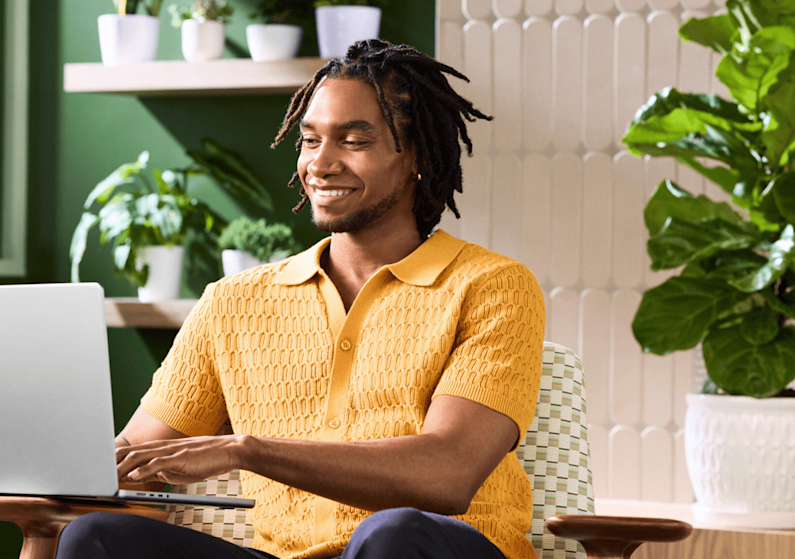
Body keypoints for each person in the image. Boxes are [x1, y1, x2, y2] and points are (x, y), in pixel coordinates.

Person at [57, 40, 545, 559]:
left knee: (392, 534)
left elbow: (447, 475)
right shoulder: (233, 302)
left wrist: (245, 450)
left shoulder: (490, 285)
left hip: (427, 549)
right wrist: (57, 467)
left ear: (416, 158)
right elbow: (135, 457)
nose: (321, 163)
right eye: (310, 140)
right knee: (96, 538)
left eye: (353, 141)